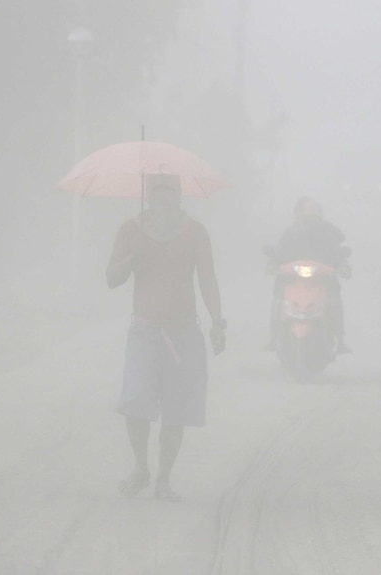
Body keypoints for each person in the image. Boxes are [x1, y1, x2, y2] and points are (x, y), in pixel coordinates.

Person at [106, 173, 225, 502]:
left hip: (184, 331)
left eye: (169, 190)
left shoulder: (195, 232)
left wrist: (218, 321)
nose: (163, 196)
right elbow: (111, 278)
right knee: (135, 401)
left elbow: (208, 280)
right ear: (146, 195)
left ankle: (163, 480)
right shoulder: (131, 230)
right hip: (145, 330)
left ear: (179, 195)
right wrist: (132, 259)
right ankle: (141, 468)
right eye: (156, 190)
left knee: (177, 409)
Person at [264, 196, 351, 353]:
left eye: (314, 217)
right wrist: (272, 263)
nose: (311, 221)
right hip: (292, 278)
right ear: (300, 216)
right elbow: (279, 252)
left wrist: (343, 266)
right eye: (308, 217)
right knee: (278, 300)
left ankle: (340, 341)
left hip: (323, 279)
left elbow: (338, 254)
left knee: (334, 300)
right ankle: (272, 340)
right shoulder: (291, 233)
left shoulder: (328, 234)